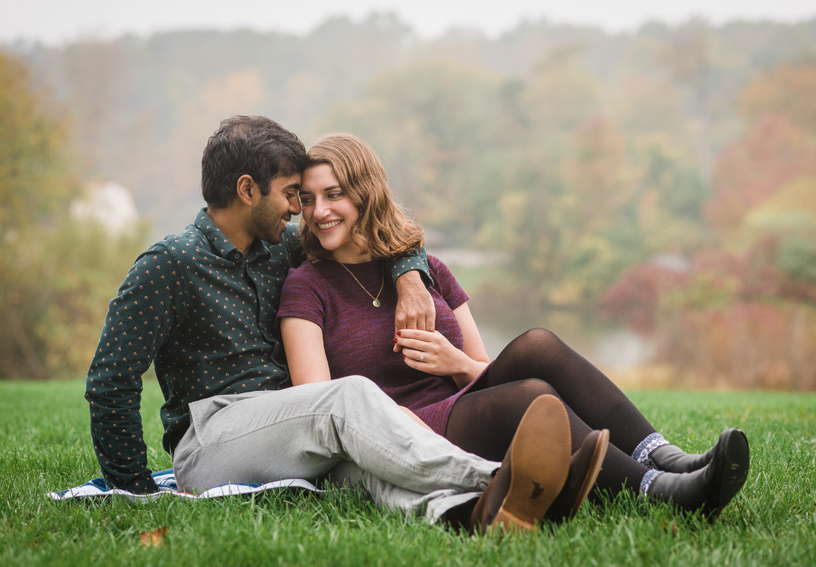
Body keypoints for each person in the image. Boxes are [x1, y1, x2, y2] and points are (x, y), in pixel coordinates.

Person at [84, 115, 576, 533]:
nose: (300, 210)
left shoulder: (280, 245)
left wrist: (409, 279)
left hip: (290, 428)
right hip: (213, 439)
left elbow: (381, 235)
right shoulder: (170, 264)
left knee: (366, 466)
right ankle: (496, 478)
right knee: (347, 396)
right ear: (246, 189)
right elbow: (111, 380)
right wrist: (135, 489)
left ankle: (475, 514)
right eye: (291, 195)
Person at [278, 133, 750, 522]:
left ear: (365, 193)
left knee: (536, 345)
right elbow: (321, 406)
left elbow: (483, 365)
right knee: (530, 396)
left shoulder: (427, 271)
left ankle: (665, 456)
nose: (320, 211)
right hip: (402, 429)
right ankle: (660, 492)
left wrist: (456, 363)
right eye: (308, 199)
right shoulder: (306, 288)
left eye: (334, 194)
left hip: (463, 399)